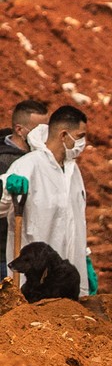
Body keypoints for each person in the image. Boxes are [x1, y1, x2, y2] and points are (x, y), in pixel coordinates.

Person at [0, 105, 97, 295]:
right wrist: (6, 188)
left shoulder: (73, 171)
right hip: (36, 282)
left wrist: (85, 258)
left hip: (68, 278)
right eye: (79, 136)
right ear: (63, 135)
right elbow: (1, 207)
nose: (82, 143)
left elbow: (74, 221)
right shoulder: (28, 165)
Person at [0, 100, 48, 278]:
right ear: (20, 130)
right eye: (39, 130)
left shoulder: (41, 160)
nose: (45, 136)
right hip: (5, 253)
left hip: (32, 251)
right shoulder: (4, 161)